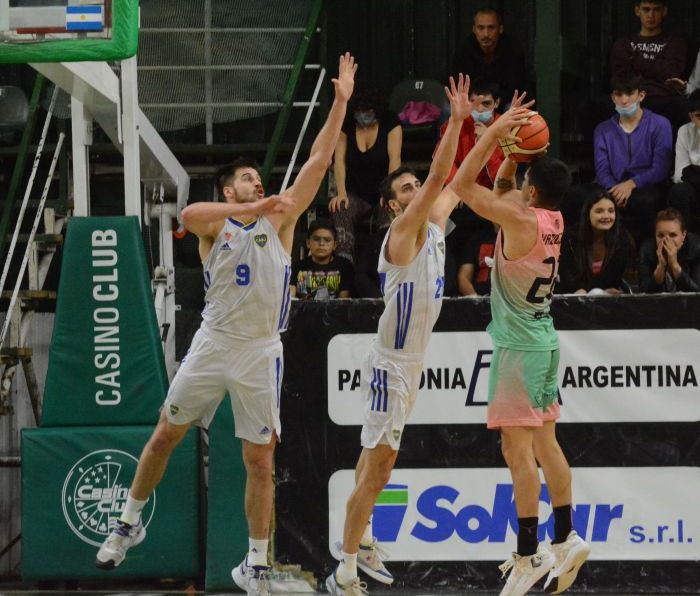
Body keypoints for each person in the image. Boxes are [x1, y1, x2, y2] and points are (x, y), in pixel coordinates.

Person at [94, 53, 358, 596]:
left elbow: (317, 158)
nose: (257, 181)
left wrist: (340, 102)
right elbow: (189, 215)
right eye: (246, 178)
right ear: (229, 191)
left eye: (258, 177)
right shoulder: (216, 224)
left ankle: (255, 563)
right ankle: (128, 521)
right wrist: (252, 207)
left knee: (259, 460)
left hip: (261, 351)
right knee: (166, 434)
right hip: (214, 343)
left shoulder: (280, 218)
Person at [325, 74, 473, 596]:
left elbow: (457, 179)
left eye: (416, 186)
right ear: (392, 205)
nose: (417, 190)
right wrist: (455, 122)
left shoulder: (432, 225)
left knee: (374, 464)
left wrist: (491, 132)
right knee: (379, 470)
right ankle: (345, 568)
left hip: (410, 364)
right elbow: (439, 178)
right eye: (405, 189)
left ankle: (358, 541)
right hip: (392, 364)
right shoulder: (402, 233)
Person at [451, 95, 590, 596]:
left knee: (517, 451)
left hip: (519, 350)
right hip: (545, 341)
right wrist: (514, 153)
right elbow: (504, 189)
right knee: (547, 443)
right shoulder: (549, 218)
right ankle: (566, 536)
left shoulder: (518, 218)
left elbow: (462, 185)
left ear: (532, 190)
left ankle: (529, 552)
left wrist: (493, 132)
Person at [593, 73, 672, 246]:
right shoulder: (602, 129)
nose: (624, 100)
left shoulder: (660, 124)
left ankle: (644, 254)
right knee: (580, 196)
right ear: (612, 97)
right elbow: (602, 169)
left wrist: (631, 184)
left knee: (645, 201)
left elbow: (660, 169)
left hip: (647, 185)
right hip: (613, 186)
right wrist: (614, 189)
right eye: (619, 94)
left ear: (641, 95)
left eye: (629, 94)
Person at [328, 87, 402, 263]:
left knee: (389, 211)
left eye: (367, 112)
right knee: (341, 209)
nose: (362, 116)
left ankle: (386, 262)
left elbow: (395, 159)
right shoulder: (347, 124)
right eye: (359, 112)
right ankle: (344, 262)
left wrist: (388, 193)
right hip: (355, 192)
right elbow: (339, 161)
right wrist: (341, 193)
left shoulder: (390, 121)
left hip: (382, 190)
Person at [610, 0, 688, 133]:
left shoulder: (675, 43)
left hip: (665, 99)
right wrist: (658, 67)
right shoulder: (624, 43)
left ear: (664, 11)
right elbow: (621, 76)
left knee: (683, 106)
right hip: (630, 97)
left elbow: (671, 73)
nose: (651, 15)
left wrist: (636, 60)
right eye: (646, 9)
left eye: (656, 9)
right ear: (637, 11)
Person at [558, 185, 634, 295]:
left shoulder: (622, 239)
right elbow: (567, 278)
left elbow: (614, 280)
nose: (606, 216)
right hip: (574, 295)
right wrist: (582, 292)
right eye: (599, 211)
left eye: (611, 211)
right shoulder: (569, 238)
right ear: (587, 213)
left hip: (605, 297)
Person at [451, 8, 528, 104]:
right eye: (481, 28)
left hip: (503, 103)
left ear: (500, 29)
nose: (486, 34)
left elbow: (516, 88)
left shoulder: (513, 50)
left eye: (491, 28)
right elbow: (459, 87)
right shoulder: (464, 50)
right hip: (473, 103)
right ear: (474, 29)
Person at [290, 219, 355, 300]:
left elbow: (344, 301)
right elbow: (290, 297)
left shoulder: (344, 266)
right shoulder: (297, 267)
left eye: (327, 240)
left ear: (334, 245)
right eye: (316, 239)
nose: (321, 244)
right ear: (308, 243)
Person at [639, 208, 700, 292]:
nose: (666, 241)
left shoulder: (696, 247)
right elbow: (643, 292)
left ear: (683, 235)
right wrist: (661, 267)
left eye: (673, 235)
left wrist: (674, 265)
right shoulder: (647, 249)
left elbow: (697, 292)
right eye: (660, 235)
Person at [668, 89, 700, 230]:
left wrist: (693, 173)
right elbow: (679, 174)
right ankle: (684, 238)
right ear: (691, 117)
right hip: (694, 187)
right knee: (679, 191)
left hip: (694, 179)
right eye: (699, 116)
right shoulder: (684, 131)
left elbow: (687, 173)